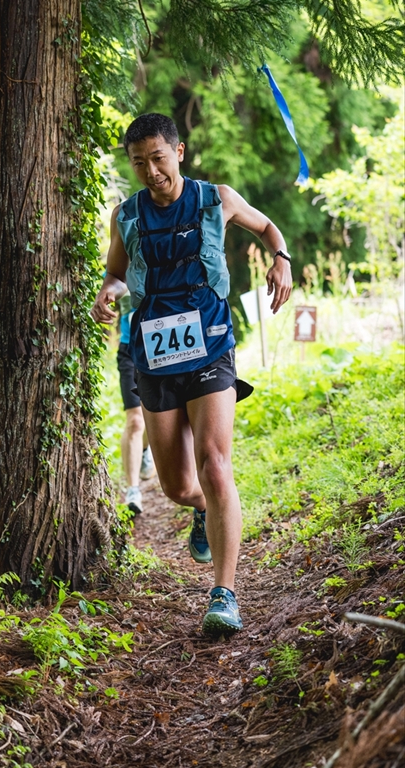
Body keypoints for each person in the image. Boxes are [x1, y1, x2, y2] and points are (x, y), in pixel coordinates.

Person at [90, 113, 292, 635]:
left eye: (158, 158)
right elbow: (116, 272)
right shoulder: (126, 216)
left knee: (215, 465)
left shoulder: (215, 198)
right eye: (139, 163)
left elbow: (267, 227)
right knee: (180, 486)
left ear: (178, 151)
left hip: (210, 348)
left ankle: (224, 594)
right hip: (154, 357)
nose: (151, 171)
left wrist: (281, 258)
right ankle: (202, 507)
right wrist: (108, 291)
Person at [117, 291, 155, 516]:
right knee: (135, 421)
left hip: (159, 343)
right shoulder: (117, 271)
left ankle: (144, 449)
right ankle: (133, 491)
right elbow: (111, 287)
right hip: (129, 350)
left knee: (153, 413)